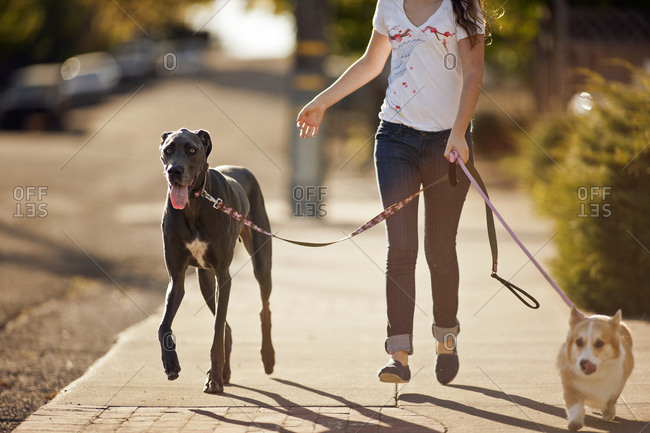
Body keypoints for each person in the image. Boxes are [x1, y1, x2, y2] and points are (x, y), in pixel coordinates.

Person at [296, 0, 485, 385]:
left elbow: (473, 74)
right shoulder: (389, 4)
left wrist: (459, 132)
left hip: (447, 144)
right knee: (400, 247)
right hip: (394, 138)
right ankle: (398, 355)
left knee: (439, 248)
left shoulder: (463, 7)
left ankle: (445, 338)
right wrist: (322, 102)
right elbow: (371, 63)